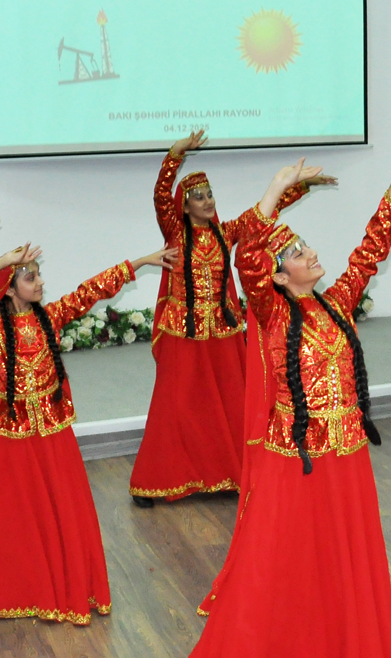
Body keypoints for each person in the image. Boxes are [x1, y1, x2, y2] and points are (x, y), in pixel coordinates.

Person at [171, 142, 391, 658]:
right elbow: (247, 260)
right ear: (277, 273)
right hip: (290, 459)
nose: (312, 253)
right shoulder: (271, 311)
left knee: (342, 567)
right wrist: (273, 191)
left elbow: (372, 249)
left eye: (307, 246)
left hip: (346, 461)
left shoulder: (336, 302)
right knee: (265, 563)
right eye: (297, 252)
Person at [0, 241, 173, 625]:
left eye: (38, 275)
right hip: (7, 436)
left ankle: (53, 584)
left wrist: (140, 262)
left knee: (55, 513)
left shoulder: (51, 316)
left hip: (51, 435)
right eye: (30, 277)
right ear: (10, 289)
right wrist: (1, 262)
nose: (40, 282)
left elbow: (92, 290)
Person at [130, 129, 325, 506]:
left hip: (222, 331)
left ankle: (230, 474)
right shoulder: (175, 232)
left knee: (229, 402)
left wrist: (300, 186)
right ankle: (157, 480)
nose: (207, 201)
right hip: (183, 333)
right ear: (185, 206)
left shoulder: (225, 232)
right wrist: (174, 154)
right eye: (198, 197)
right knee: (176, 406)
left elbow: (260, 216)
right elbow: (160, 196)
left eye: (210, 195)